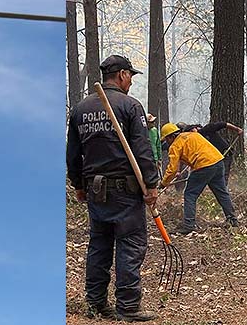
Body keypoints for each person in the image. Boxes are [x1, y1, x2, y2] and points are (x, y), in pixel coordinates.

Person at [66, 55, 160, 322]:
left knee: (100, 245)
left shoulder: (80, 109)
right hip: (125, 191)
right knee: (130, 244)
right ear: (121, 75)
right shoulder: (130, 105)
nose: (131, 81)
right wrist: (151, 184)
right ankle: (128, 307)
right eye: (130, 75)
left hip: (96, 191)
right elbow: (142, 150)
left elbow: (73, 153)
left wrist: (78, 184)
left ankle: (95, 303)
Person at [159, 122, 238, 234]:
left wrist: (163, 183)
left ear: (171, 136)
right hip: (218, 161)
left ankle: (189, 225)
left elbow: (171, 168)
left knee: (190, 194)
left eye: (166, 139)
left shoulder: (175, 146)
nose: (166, 142)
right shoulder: (192, 135)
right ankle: (232, 220)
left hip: (203, 166)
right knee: (221, 192)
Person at [146, 113, 162, 178]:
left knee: (155, 176)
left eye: (153, 122)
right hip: (147, 158)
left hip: (155, 158)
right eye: (151, 122)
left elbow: (158, 145)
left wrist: (159, 158)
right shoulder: (143, 131)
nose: (153, 123)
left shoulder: (155, 130)